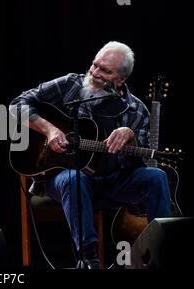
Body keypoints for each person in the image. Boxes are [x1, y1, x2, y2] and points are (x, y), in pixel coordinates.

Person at [10, 41, 172, 269]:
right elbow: (17, 105)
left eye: (105, 71)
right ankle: (88, 259)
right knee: (76, 179)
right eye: (94, 65)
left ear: (121, 80)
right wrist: (50, 129)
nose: (95, 73)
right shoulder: (71, 84)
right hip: (66, 180)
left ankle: (163, 255)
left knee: (156, 177)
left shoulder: (136, 111)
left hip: (111, 183)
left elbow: (141, 165)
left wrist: (131, 137)